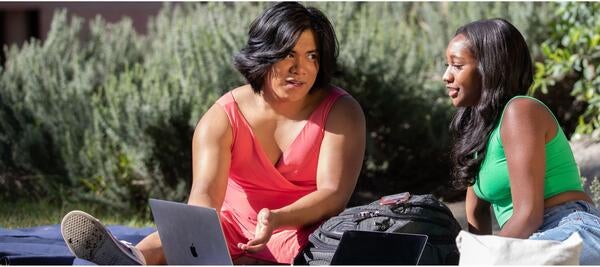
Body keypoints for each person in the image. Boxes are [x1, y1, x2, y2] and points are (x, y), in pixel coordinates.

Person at [60, 2, 366, 265]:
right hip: (231, 226)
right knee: (194, 234)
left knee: (324, 250)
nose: (301, 68)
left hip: (301, 227)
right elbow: (205, 195)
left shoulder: (340, 112)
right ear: (265, 54)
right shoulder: (223, 117)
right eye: (289, 54)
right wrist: (194, 237)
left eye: (311, 55)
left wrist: (276, 219)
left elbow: (332, 195)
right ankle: (131, 258)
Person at [444, 18, 600, 264]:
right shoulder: (480, 134)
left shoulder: (520, 110)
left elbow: (528, 215)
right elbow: (476, 215)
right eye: (447, 65)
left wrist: (487, 257)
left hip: (569, 228)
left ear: (489, 67)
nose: (446, 76)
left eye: (457, 65)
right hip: (531, 237)